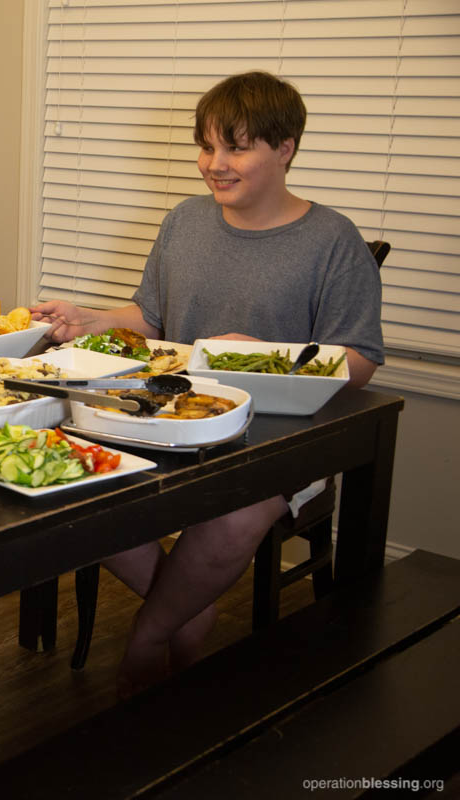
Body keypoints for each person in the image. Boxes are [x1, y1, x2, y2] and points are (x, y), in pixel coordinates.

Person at [30, 71, 384, 696]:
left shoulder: (333, 240)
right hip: (171, 416)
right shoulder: (185, 222)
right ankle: (187, 612)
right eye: (207, 146)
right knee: (71, 477)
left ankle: (148, 637)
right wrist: (91, 319)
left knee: (236, 508)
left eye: (236, 148)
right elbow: (152, 319)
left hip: (278, 438)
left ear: (285, 149)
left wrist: (262, 357)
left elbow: (360, 363)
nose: (214, 164)